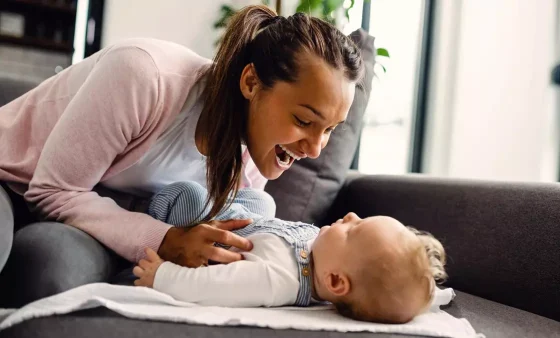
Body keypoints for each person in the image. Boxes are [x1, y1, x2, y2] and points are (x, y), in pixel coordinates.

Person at [0, 4, 363, 306]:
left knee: (55, 265)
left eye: (329, 129)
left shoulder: (255, 154)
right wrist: (168, 239)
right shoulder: (144, 76)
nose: (316, 148)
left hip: (93, 224)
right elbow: (50, 190)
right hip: (14, 182)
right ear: (251, 83)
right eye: (303, 120)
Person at [133, 181, 448, 324]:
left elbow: (210, 287)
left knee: (188, 195)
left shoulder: (276, 279)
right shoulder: (323, 254)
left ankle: (144, 205)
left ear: (336, 281)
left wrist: (161, 274)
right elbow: (400, 284)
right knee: (262, 201)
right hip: (252, 222)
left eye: (353, 231)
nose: (351, 217)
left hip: (203, 237)